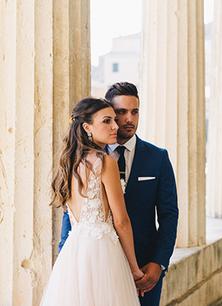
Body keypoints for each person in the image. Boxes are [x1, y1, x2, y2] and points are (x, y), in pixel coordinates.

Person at [59, 82, 179, 306]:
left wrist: (159, 262)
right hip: (93, 267)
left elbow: (169, 214)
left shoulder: (158, 157)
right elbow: (72, 216)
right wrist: (65, 259)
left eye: (135, 111)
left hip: (145, 268)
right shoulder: (92, 160)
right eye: (120, 113)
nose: (128, 119)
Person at [41, 98, 143, 306]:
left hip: (74, 252)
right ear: (87, 127)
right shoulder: (105, 162)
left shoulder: (69, 162)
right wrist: (133, 268)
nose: (116, 126)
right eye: (107, 121)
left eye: (114, 120)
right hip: (102, 251)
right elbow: (121, 221)